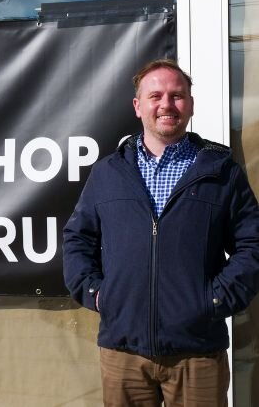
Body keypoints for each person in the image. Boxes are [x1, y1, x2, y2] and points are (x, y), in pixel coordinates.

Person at [63, 58, 259, 406]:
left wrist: (215, 299)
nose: (167, 104)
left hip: (198, 352)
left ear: (191, 104)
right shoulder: (108, 172)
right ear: (138, 106)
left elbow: (252, 244)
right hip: (123, 351)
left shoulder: (221, 170)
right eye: (155, 96)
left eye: (177, 95)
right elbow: (78, 240)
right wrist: (98, 294)